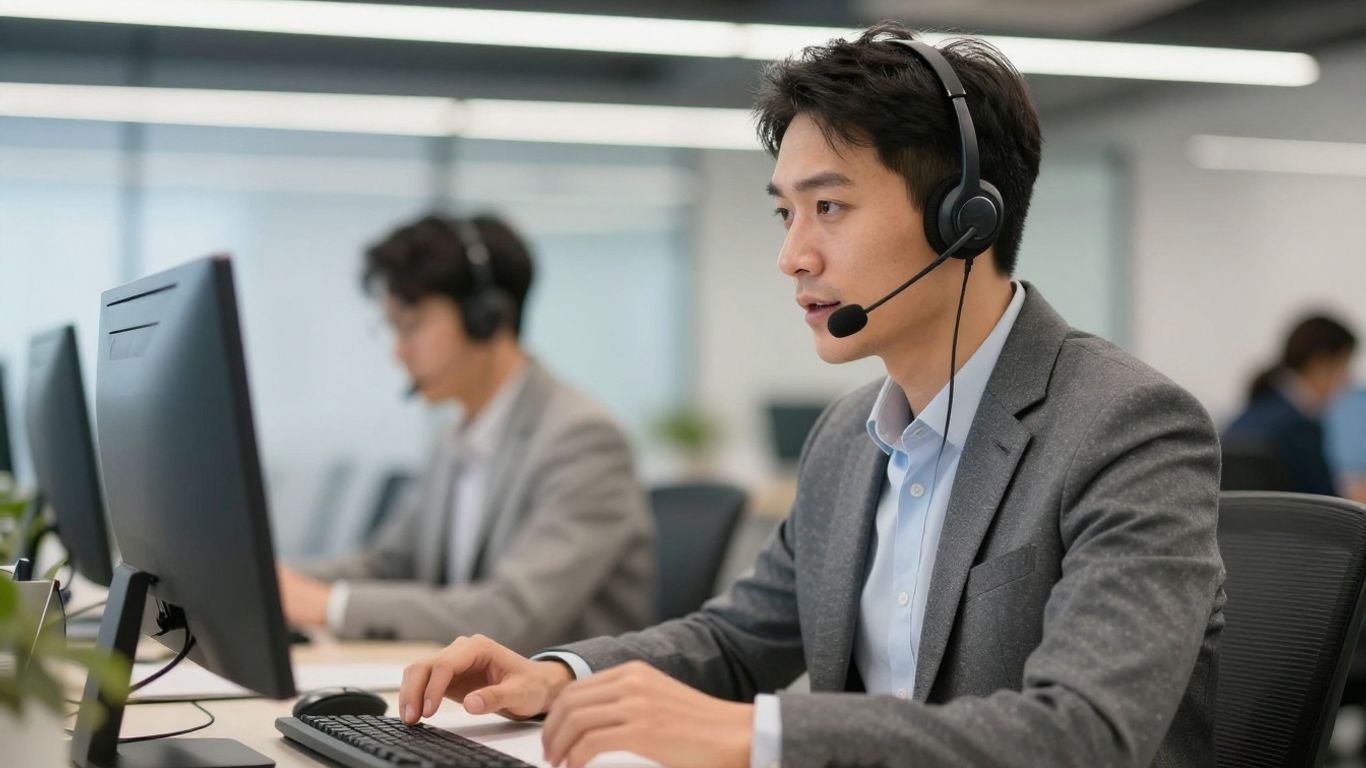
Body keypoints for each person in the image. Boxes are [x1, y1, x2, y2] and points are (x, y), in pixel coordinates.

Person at [397, 24, 1225, 768]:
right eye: (785, 214)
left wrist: (759, 736)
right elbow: (733, 641)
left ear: (964, 220)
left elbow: (1083, 735)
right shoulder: (849, 437)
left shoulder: (1127, 429)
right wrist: (559, 673)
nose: (792, 256)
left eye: (828, 207)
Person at [277, 213, 656, 651]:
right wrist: (273, 583)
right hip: (473, 697)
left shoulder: (582, 439)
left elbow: (512, 614)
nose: (398, 351)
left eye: (412, 324)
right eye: (392, 328)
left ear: (486, 317)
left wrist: (330, 606)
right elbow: (389, 565)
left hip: (558, 707)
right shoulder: (456, 437)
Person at [1224, 314, 1357, 496]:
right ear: (1320, 364)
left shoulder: (1241, 421)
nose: (1347, 381)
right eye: (1344, 367)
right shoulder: (1302, 428)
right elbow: (1328, 509)